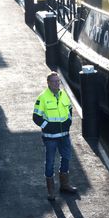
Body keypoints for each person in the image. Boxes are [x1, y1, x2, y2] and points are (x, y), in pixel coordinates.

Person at [33, 71, 77, 200]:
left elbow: (69, 109)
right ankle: (51, 191)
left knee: (66, 158)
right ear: (48, 83)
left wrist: (69, 121)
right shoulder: (43, 97)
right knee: (50, 162)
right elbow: (36, 117)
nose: (57, 83)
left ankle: (64, 184)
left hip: (64, 135)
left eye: (58, 81)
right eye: (54, 81)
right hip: (50, 137)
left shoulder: (63, 94)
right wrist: (48, 126)